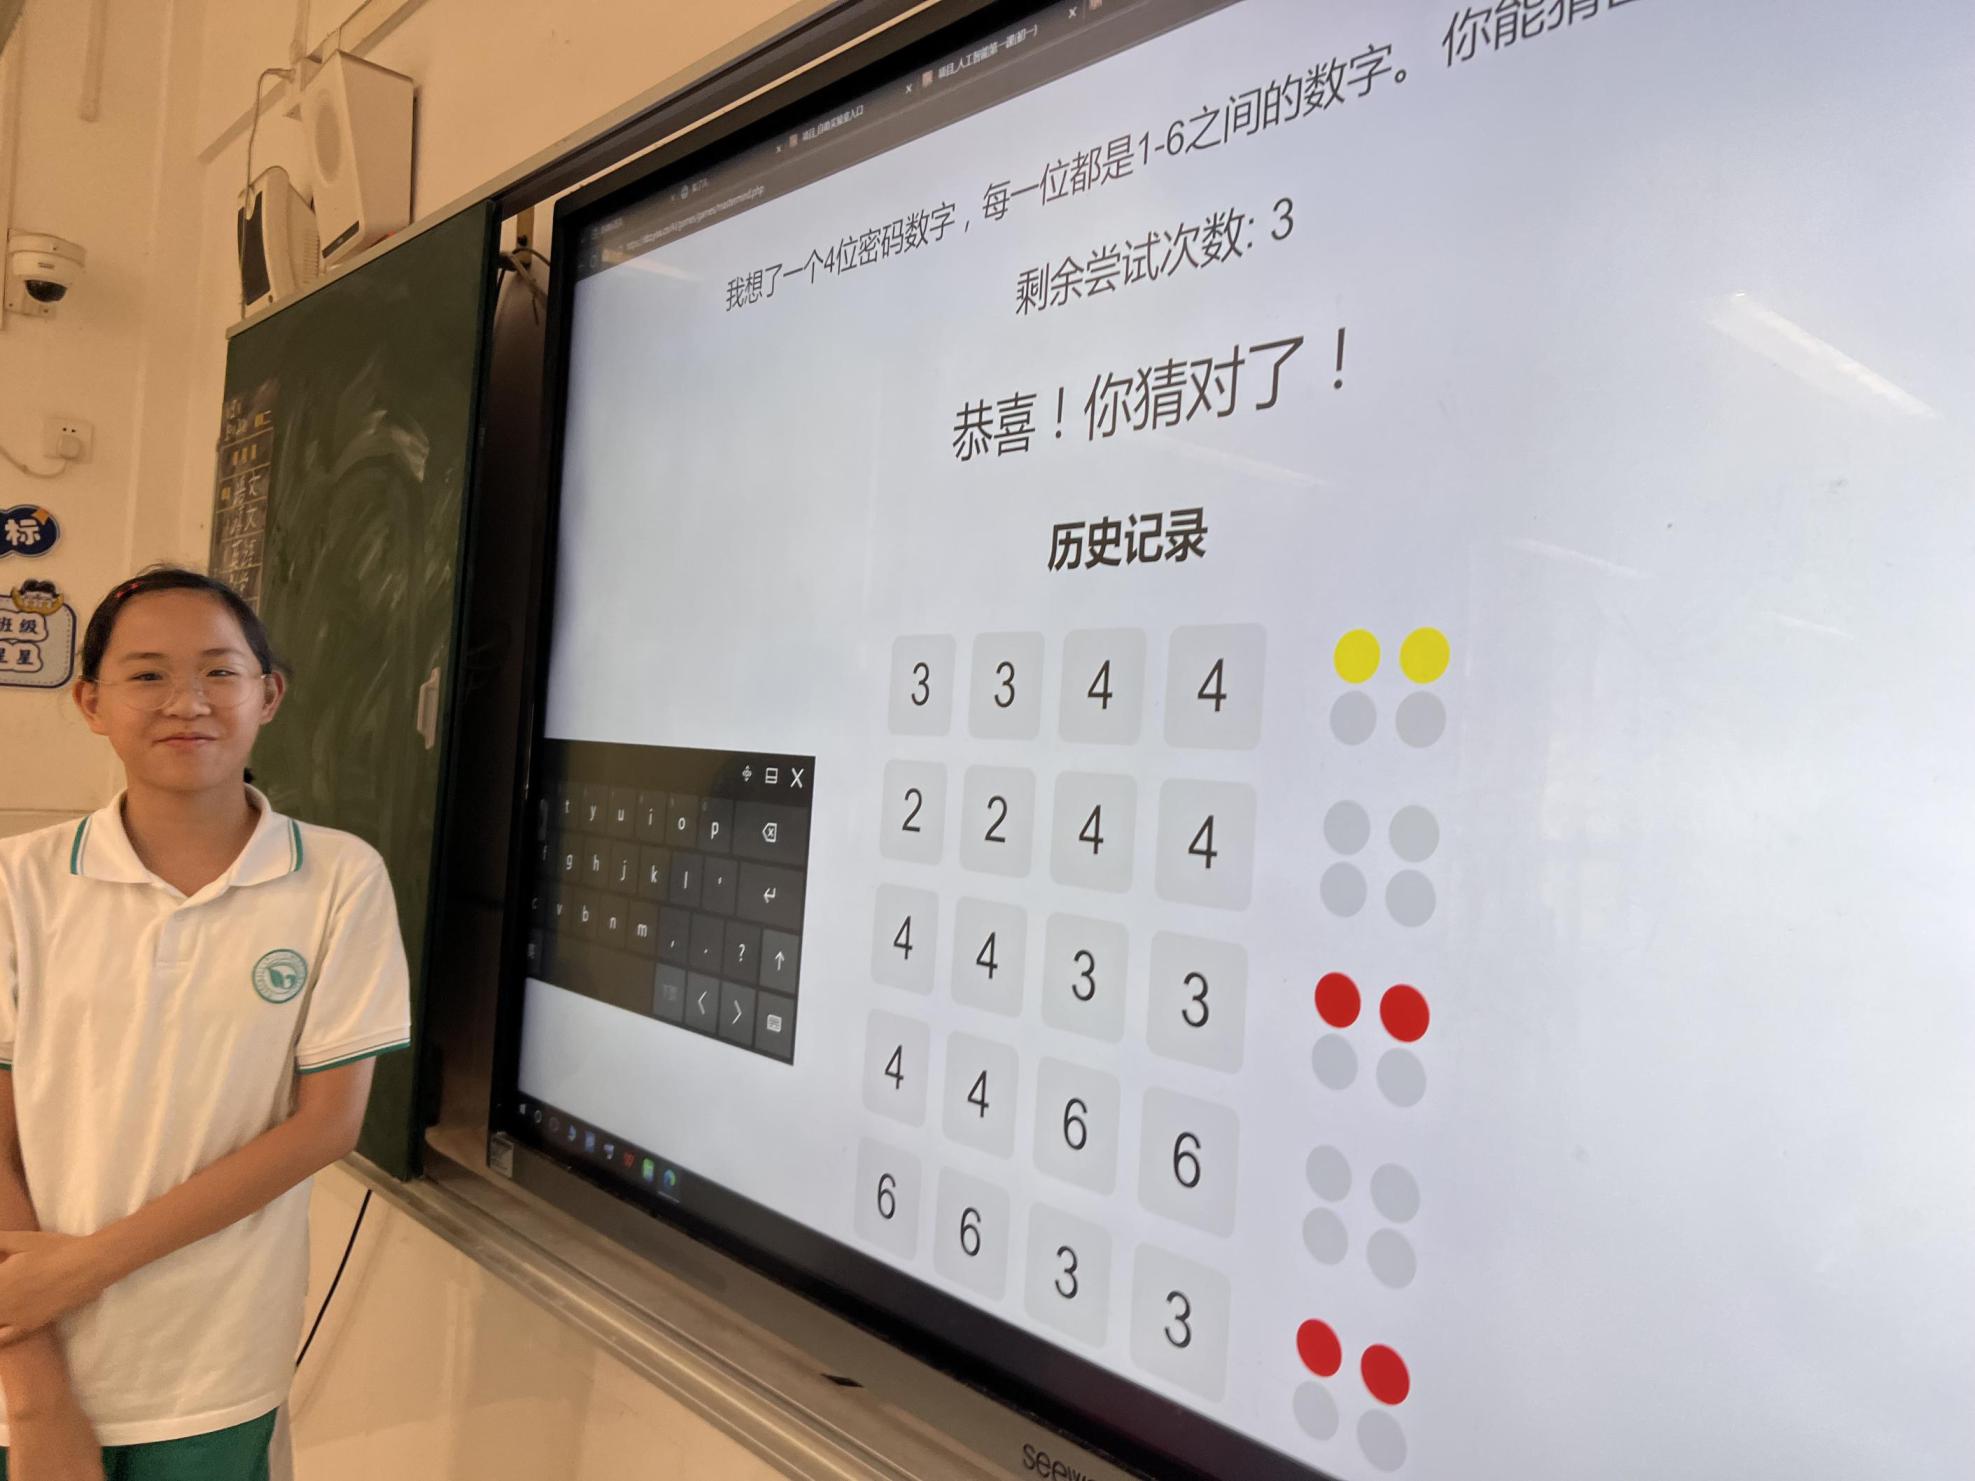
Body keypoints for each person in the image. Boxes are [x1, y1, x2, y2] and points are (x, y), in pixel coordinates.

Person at [0, 567, 411, 1480]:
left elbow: (327, 1124)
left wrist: (84, 1267)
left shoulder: (339, 878)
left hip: (213, 1370)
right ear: (91, 701)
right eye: (147, 674)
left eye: (220, 671)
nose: (186, 702)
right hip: (20, 1362)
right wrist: (35, 1395)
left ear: (269, 695)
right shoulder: (16, 881)